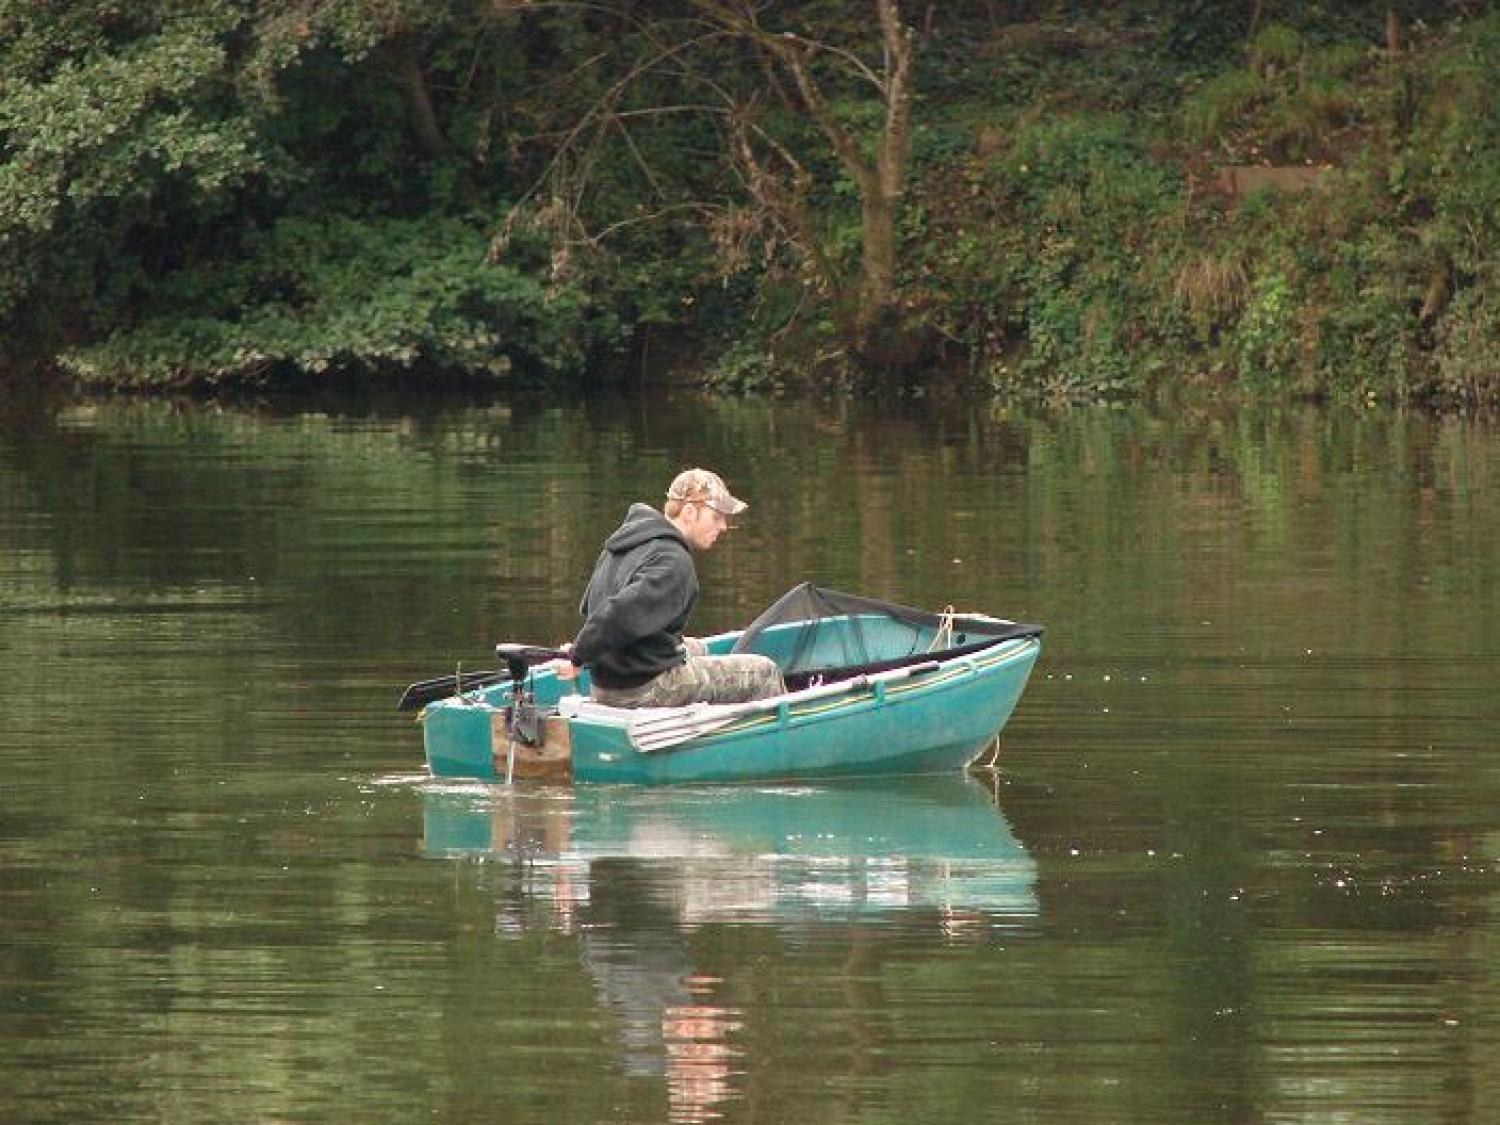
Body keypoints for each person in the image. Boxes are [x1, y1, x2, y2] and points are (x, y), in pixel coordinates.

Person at [557, 468, 784, 708]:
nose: (724, 526)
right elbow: (620, 613)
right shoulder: (673, 559)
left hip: (607, 683)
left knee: (700, 648)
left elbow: (591, 609)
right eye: (716, 517)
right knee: (764, 672)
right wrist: (578, 657)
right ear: (688, 512)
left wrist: (581, 648)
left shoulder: (624, 544)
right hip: (643, 687)